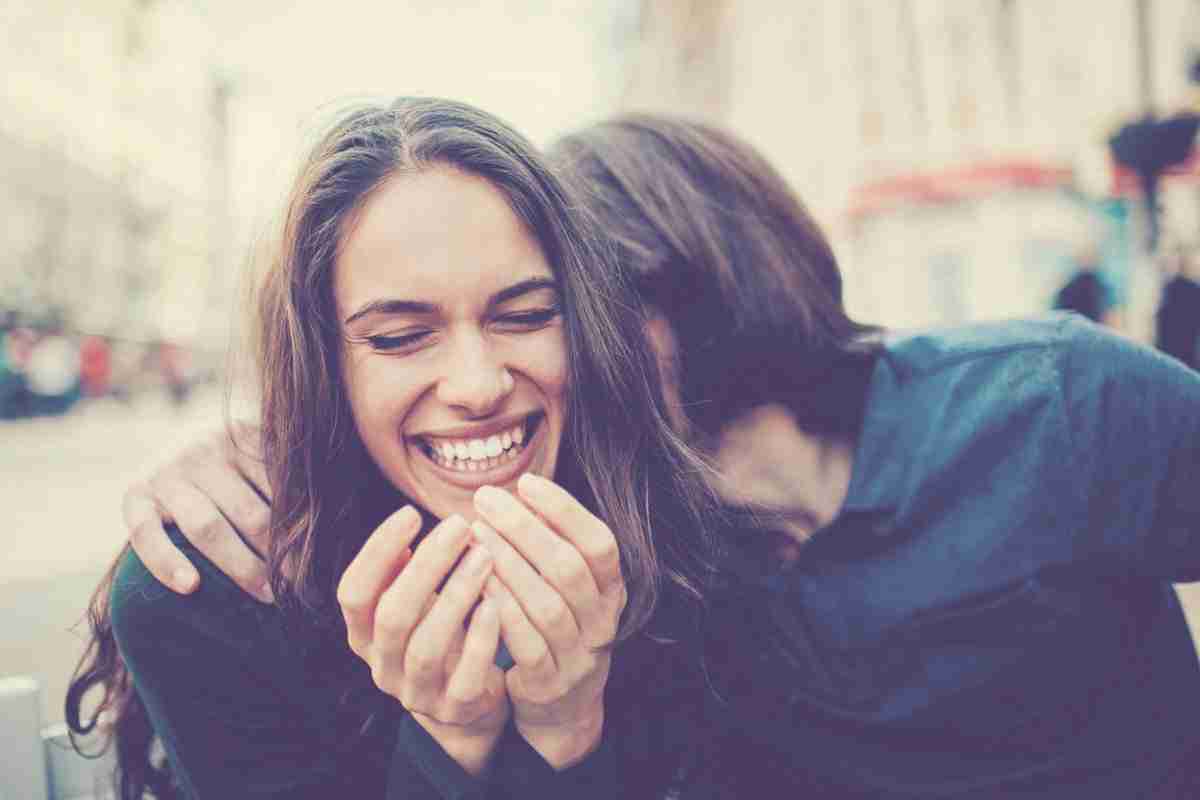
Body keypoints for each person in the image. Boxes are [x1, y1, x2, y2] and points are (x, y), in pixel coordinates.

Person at [115, 113, 1200, 797]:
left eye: (547, 310)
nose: (494, 374)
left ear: (698, 278)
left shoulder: (1050, 401)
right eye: (402, 332)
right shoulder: (627, 548)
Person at [66, 98, 723, 800]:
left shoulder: (685, 538)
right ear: (321, 364)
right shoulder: (206, 592)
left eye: (525, 316)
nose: (478, 385)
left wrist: (568, 731)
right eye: (400, 337)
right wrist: (451, 742)